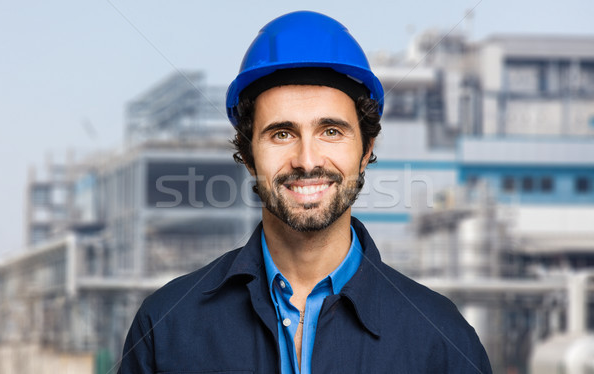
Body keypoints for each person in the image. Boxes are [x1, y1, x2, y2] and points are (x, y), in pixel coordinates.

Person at [118, 11, 492, 373]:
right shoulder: (165, 329)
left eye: (331, 131)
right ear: (248, 155)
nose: (306, 160)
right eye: (282, 133)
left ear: (365, 150)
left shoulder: (441, 339)